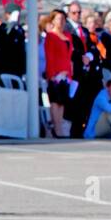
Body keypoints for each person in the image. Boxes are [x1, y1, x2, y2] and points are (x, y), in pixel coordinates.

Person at [43, 10, 73, 138]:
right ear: (53, 20)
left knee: (62, 101)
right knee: (55, 100)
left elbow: (69, 55)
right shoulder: (51, 36)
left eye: (62, 19)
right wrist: (52, 74)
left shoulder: (67, 35)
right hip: (56, 73)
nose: (60, 22)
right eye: (58, 19)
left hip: (66, 72)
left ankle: (60, 125)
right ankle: (57, 127)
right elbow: (49, 56)